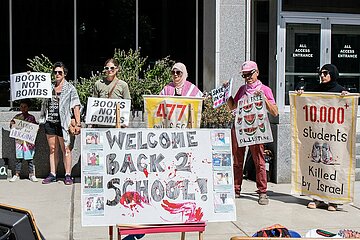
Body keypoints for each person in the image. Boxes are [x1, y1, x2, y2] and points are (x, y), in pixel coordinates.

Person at [296, 63, 348, 211]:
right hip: (318, 133)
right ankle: (317, 198)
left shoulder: (339, 90)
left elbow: (349, 105)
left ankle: (332, 201)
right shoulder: (316, 89)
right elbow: (305, 97)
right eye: (321, 74)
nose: (323, 76)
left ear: (333, 74)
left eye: (326, 73)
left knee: (331, 168)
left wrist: (345, 96)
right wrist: (301, 93)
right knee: (317, 166)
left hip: (333, 135)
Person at [227, 60, 278, 205]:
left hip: (256, 128)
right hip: (240, 127)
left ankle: (262, 191)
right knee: (237, 160)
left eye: (250, 74)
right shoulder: (242, 90)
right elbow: (232, 107)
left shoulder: (265, 89)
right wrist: (226, 95)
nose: (248, 77)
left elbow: (275, 112)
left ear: (257, 72)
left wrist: (264, 98)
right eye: (244, 75)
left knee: (259, 161)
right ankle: (236, 189)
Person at [40, 62, 81, 185]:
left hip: (64, 122)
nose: (57, 74)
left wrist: (78, 123)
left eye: (60, 72)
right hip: (50, 121)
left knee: (66, 148)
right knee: (52, 149)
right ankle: (53, 173)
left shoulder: (70, 88)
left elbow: (76, 105)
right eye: (55, 72)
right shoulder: (48, 87)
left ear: (65, 74)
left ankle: (68, 175)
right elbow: (36, 92)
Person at [9, 99, 38, 182]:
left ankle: (32, 174)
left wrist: (36, 127)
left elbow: (34, 128)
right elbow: (12, 127)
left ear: (28, 107)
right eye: (21, 106)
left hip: (29, 142)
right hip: (19, 141)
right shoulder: (17, 117)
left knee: (30, 159)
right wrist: (11, 124)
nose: (23, 108)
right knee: (19, 158)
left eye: (25, 107)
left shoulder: (31, 117)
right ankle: (16, 174)